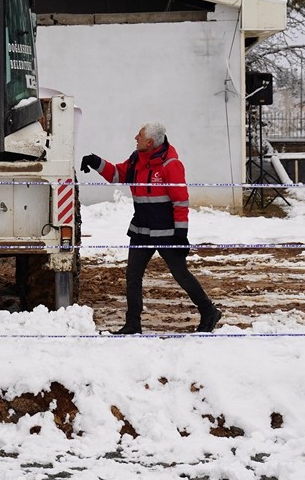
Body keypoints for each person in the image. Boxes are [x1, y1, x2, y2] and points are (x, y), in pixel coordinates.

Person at [81, 122, 222, 335]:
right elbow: (117, 174)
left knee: (181, 275)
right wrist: (96, 162)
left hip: (166, 234)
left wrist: (181, 234)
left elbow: (180, 201)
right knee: (133, 276)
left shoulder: (171, 165)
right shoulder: (136, 159)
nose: (135, 138)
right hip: (141, 231)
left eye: (139, 135)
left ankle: (209, 311)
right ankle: (132, 324)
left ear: (150, 142)